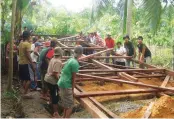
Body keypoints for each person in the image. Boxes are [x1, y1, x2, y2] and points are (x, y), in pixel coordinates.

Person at [58, 45, 83, 118]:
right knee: (70, 106)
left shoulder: (70, 59)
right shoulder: (75, 63)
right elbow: (73, 78)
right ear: (81, 53)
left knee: (66, 105)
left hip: (61, 82)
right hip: (66, 84)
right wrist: (72, 89)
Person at [44, 47, 63, 118]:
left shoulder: (53, 59)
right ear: (61, 53)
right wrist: (60, 81)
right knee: (55, 96)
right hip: (52, 81)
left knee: (52, 93)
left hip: (47, 79)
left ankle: (51, 105)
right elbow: (55, 73)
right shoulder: (58, 61)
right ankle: (55, 112)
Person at [18, 31, 35, 97]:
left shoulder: (21, 43)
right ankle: (25, 93)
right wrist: (32, 64)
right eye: (30, 36)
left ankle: (25, 92)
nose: (30, 37)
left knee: (24, 78)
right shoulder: (27, 44)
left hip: (20, 62)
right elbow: (28, 55)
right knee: (29, 79)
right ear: (28, 36)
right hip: (26, 63)